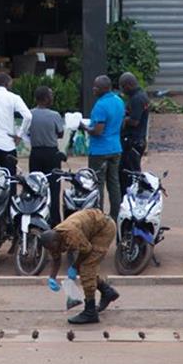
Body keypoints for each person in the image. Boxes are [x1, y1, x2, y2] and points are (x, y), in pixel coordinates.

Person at [40, 209, 120, 325]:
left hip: (104, 229)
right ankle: (107, 291)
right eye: (50, 249)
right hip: (91, 229)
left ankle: (90, 312)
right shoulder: (52, 241)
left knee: (87, 268)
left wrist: (74, 266)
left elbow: (86, 250)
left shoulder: (71, 233)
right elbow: (56, 258)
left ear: (57, 240)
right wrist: (52, 277)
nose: (53, 250)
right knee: (85, 269)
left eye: (54, 247)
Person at [81, 75, 125, 220]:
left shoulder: (100, 105)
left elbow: (98, 131)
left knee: (97, 183)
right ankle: (115, 216)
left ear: (103, 89)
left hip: (99, 150)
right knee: (114, 183)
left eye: (96, 87)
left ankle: (98, 216)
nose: (93, 89)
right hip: (115, 148)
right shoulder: (119, 101)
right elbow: (120, 124)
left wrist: (85, 127)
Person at [28, 86, 64, 225]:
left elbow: (27, 131)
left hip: (35, 153)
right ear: (46, 98)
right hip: (52, 153)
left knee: (35, 187)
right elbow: (60, 133)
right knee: (54, 188)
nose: (52, 98)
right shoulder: (55, 115)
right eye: (51, 96)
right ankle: (54, 220)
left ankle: (36, 218)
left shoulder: (30, 114)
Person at [118, 72, 149, 196]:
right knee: (131, 172)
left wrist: (124, 120)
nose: (122, 90)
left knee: (128, 174)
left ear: (128, 85)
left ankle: (129, 198)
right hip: (137, 140)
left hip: (133, 142)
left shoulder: (137, 99)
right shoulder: (141, 95)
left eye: (123, 87)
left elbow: (135, 121)